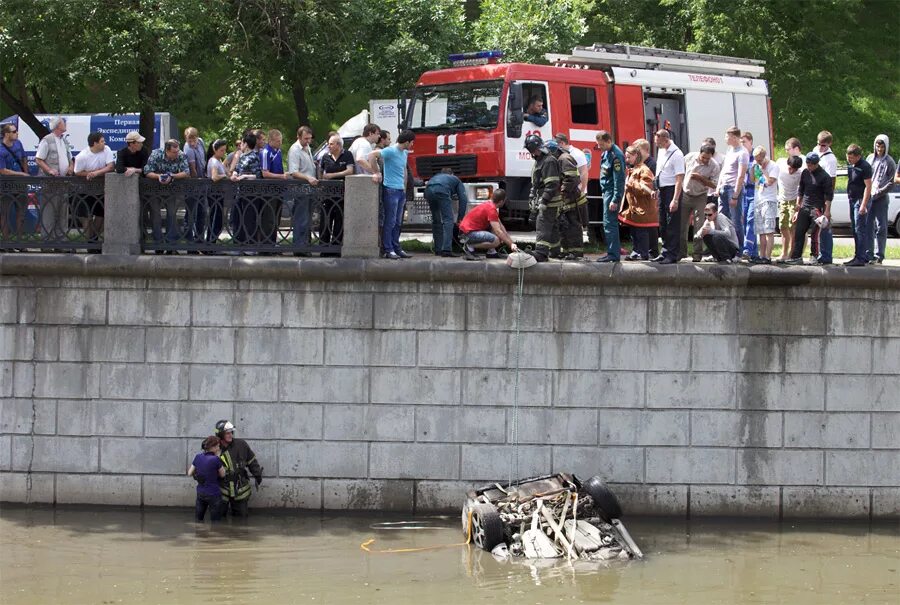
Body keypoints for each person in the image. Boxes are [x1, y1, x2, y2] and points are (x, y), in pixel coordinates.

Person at [369, 130, 415, 260]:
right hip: (390, 190)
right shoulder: (391, 150)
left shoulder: (404, 152)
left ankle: (396, 247)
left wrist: (404, 188)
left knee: (398, 222)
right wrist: (376, 172)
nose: (412, 145)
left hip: (400, 191)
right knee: (390, 221)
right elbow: (372, 155)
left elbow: (404, 170)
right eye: (411, 142)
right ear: (406, 142)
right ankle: (388, 249)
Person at [784, 152, 834, 265]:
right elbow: (801, 189)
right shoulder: (805, 173)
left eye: (811, 165)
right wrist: (798, 206)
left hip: (817, 208)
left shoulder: (824, 176)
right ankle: (796, 257)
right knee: (799, 232)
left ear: (817, 164)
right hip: (804, 206)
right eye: (807, 164)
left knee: (815, 234)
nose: (809, 166)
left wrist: (827, 211)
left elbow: (829, 196)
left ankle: (814, 256)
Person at [144, 139, 190, 250]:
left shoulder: (181, 155)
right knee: (156, 215)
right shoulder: (156, 154)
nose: (176, 154)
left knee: (172, 214)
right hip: (155, 189)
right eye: (174, 152)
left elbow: (186, 172)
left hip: (171, 190)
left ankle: (171, 244)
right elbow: (147, 171)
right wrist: (159, 177)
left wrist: (172, 176)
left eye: (177, 151)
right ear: (167, 150)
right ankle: (158, 244)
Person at [35, 116, 74, 241]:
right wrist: (50, 170)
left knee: (62, 211)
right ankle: (48, 240)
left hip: (64, 181)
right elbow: (39, 159)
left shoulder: (64, 140)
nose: (65, 124)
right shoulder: (47, 140)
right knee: (49, 211)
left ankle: (61, 240)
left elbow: (70, 157)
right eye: (63, 122)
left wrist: (71, 167)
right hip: (50, 182)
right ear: (57, 126)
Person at [73, 132, 115, 248]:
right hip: (84, 190)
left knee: (101, 215)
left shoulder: (106, 150)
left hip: (100, 189)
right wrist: (90, 174)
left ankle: (94, 239)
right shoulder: (82, 156)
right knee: (86, 216)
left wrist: (96, 173)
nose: (104, 143)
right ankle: (91, 242)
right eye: (102, 141)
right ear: (95, 143)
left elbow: (110, 166)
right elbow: (77, 172)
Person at [524, 134, 562, 262]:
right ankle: (555, 250)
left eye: (531, 150)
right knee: (552, 226)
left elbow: (552, 183)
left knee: (543, 224)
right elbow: (536, 183)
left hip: (550, 201)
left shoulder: (549, 161)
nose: (531, 153)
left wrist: (544, 200)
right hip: (544, 199)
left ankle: (541, 252)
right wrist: (532, 198)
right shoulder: (540, 160)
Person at [214, 420, 262, 518]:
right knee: (218, 518)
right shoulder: (214, 447)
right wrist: (199, 476)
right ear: (220, 434)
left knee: (242, 518)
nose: (230, 435)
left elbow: (252, 461)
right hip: (222, 488)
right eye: (227, 433)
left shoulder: (241, 444)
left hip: (240, 489)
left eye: (231, 432)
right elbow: (204, 463)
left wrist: (257, 475)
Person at [651, 129, 685, 264]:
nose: (656, 144)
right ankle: (665, 251)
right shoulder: (661, 151)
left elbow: (679, 179)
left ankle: (672, 254)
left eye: (657, 141)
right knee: (663, 223)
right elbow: (660, 172)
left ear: (665, 139)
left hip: (672, 190)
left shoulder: (677, 154)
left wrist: (675, 199)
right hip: (663, 189)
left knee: (672, 224)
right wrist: (656, 188)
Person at [546, 140, 585, 259]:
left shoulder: (564, 158)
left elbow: (571, 178)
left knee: (573, 226)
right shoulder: (559, 159)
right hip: (566, 199)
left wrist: (562, 192)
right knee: (565, 226)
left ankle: (576, 252)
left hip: (573, 200)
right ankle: (567, 251)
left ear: (553, 151)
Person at [681, 144, 720, 261]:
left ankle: (697, 254)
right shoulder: (689, 157)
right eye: (703, 157)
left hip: (700, 196)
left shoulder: (714, 166)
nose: (705, 160)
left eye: (708, 158)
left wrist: (701, 178)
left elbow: (714, 184)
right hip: (685, 194)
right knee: (682, 226)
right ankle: (681, 252)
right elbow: (679, 170)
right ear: (699, 153)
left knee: (699, 225)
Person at [619, 145, 657, 261]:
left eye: (628, 157)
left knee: (642, 232)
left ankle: (643, 253)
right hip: (635, 208)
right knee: (634, 232)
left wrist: (630, 185)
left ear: (636, 156)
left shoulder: (644, 170)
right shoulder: (634, 169)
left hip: (643, 208)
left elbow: (647, 189)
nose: (627, 160)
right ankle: (636, 251)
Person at [318, 134, 355, 252]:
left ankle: (336, 247)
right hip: (327, 194)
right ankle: (324, 247)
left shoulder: (347, 155)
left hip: (342, 193)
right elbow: (321, 172)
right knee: (326, 220)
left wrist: (332, 175)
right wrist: (322, 183)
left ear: (338, 145)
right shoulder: (325, 157)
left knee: (339, 220)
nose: (328, 146)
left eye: (331, 144)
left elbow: (350, 171)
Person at [716, 127, 749, 257]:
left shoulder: (743, 153)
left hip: (733, 189)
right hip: (724, 187)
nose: (725, 139)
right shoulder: (730, 150)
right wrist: (718, 185)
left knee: (735, 221)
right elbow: (724, 169)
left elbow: (741, 176)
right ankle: (724, 250)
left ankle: (738, 251)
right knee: (722, 219)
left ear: (734, 137)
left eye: (727, 136)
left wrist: (735, 196)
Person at [458, 189, 518, 260]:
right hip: (467, 234)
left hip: (467, 232)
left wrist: (512, 243)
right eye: (504, 201)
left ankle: (491, 252)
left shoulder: (489, 205)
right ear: (501, 201)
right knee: (496, 241)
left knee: (497, 231)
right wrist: (510, 244)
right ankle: (469, 246)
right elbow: (498, 231)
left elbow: (501, 227)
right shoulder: (491, 210)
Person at [595, 131, 626, 263]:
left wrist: (615, 199)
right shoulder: (606, 153)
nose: (599, 147)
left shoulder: (616, 155)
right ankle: (611, 251)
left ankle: (613, 254)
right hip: (606, 192)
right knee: (607, 223)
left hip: (611, 193)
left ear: (609, 141)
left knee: (610, 224)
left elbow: (619, 180)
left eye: (601, 144)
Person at [288, 126, 319, 254]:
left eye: (310, 139)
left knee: (307, 219)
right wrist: (308, 178)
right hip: (301, 189)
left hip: (309, 189)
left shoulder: (307, 148)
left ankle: (305, 245)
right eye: (305, 138)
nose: (308, 141)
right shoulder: (295, 150)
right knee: (301, 219)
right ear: (298, 137)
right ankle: (299, 247)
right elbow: (294, 172)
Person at [424, 167, 468, 257]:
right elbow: (463, 200)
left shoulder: (436, 176)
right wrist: (460, 218)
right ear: (452, 174)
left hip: (428, 190)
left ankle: (438, 249)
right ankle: (447, 250)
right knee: (448, 220)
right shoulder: (456, 179)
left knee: (436, 220)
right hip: (441, 190)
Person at [866, 135, 896, 264]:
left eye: (882, 146)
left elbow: (891, 182)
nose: (880, 149)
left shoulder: (889, 161)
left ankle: (879, 255)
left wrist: (880, 191)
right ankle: (868, 253)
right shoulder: (870, 158)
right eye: (878, 146)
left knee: (881, 227)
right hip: (869, 195)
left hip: (881, 198)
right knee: (868, 226)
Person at [843, 144, 873, 267]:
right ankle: (860, 255)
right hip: (852, 198)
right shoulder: (851, 165)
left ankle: (860, 258)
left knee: (859, 229)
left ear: (858, 156)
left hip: (861, 200)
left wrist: (863, 205)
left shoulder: (865, 166)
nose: (849, 160)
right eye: (848, 157)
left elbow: (868, 186)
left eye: (852, 158)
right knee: (855, 229)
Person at [230, 133, 262, 246]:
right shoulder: (242, 156)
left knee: (249, 219)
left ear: (246, 144)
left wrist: (243, 177)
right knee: (238, 217)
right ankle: (239, 243)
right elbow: (237, 169)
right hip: (240, 192)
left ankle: (250, 245)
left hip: (251, 193)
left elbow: (257, 176)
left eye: (242, 143)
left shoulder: (254, 156)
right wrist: (234, 175)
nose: (240, 145)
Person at [810, 131, 838, 262]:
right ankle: (818, 253)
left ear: (829, 144)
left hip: (823, 195)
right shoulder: (816, 151)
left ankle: (826, 255)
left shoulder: (831, 159)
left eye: (823, 145)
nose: (820, 147)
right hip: (814, 194)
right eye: (819, 144)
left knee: (825, 224)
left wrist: (828, 205)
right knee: (816, 226)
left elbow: (832, 182)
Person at [749, 146, 779, 264]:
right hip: (758, 200)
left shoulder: (773, 166)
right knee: (760, 231)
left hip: (769, 200)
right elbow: (752, 180)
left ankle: (768, 256)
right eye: (756, 160)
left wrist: (763, 170)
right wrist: (752, 168)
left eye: (760, 160)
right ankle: (761, 256)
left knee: (769, 230)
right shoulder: (756, 165)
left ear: (764, 157)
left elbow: (770, 182)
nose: (758, 162)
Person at [0, 123, 29, 243]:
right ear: (6, 134)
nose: (16, 133)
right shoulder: (0, 149)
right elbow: (3, 170)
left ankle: (20, 242)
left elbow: (24, 158)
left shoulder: (18, 143)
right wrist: (21, 174)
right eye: (14, 131)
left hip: (21, 184)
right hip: (6, 184)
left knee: (21, 213)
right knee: (5, 214)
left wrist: (25, 173)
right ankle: (6, 242)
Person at [775, 138, 803, 261]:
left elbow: (802, 189)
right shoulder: (780, 164)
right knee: (782, 226)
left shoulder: (801, 172)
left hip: (793, 200)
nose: (791, 171)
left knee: (793, 228)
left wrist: (798, 204)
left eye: (794, 170)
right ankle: (783, 252)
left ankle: (792, 254)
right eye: (790, 168)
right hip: (782, 200)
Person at [259, 129, 287, 248]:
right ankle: (266, 245)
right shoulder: (265, 152)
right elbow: (265, 173)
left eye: (281, 141)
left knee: (276, 217)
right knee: (268, 218)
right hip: (269, 189)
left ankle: (273, 243)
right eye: (277, 141)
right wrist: (282, 176)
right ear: (270, 141)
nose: (280, 143)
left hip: (278, 189)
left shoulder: (278, 151)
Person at [187, 435, 226, 522]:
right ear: (213, 447)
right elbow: (223, 474)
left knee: (198, 520)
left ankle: (198, 534)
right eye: (218, 446)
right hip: (214, 494)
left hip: (201, 493)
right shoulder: (216, 459)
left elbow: (189, 473)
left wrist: (200, 475)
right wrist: (218, 458)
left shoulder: (198, 457)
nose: (219, 448)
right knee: (216, 522)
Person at [204, 139, 229, 245]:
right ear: (215, 150)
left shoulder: (218, 160)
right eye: (221, 150)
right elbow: (214, 177)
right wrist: (224, 176)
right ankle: (210, 242)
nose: (223, 152)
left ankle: (212, 242)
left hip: (218, 192)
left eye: (224, 150)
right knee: (215, 218)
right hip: (214, 193)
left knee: (217, 217)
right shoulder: (214, 161)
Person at [740, 131, 758, 259]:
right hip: (743, 192)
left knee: (751, 221)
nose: (742, 145)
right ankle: (754, 253)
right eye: (741, 143)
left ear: (751, 142)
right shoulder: (740, 156)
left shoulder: (755, 158)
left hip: (753, 192)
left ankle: (747, 249)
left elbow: (757, 178)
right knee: (744, 222)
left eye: (744, 142)